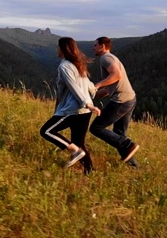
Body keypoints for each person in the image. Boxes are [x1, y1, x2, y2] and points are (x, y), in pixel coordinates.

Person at [40, 37, 101, 175]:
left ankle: (75, 151)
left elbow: (75, 88)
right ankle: (90, 171)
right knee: (78, 142)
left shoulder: (64, 66)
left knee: (46, 131)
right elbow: (89, 86)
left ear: (63, 49)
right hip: (85, 110)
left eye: (58, 47)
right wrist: (91, 101)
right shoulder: (78, 64)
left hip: (74, 110)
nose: (57, 49)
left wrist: (87, 104)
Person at [89, 36, 140, 166]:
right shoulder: (111, 58)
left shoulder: (106, 58)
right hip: (130, 98)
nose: (93, 47)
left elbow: (117, 75)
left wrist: (97, 85)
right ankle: (133, 165)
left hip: (121, 101)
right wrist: (92, 95)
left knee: (96, 128)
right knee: (119, 133)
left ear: (102, 46)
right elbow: (108, 89)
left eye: (95, 45)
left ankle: (128, 144)